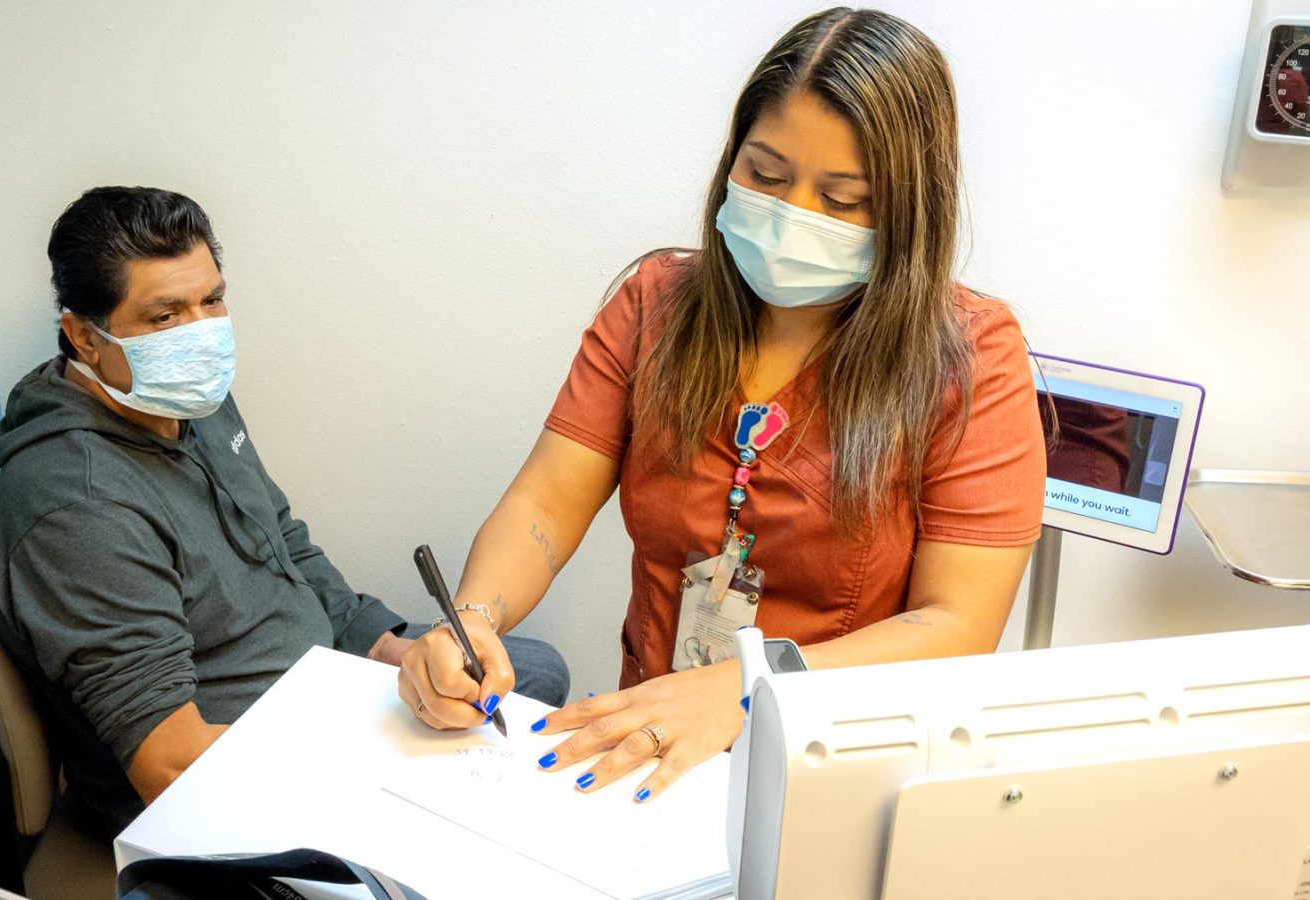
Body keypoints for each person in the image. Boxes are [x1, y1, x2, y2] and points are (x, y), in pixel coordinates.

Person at [397, 7, 1046, 803]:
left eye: (843, 200)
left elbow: (956, 624)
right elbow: (548, 499)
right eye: (766, 175)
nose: (794, 214)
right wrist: (471, 620)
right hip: (650, 747)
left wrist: (747, 685)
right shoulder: (655, 306)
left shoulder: (972, 359)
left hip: (832, 770)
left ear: (909, 212)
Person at [0, 187, 568, 836]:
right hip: (234, 776)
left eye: (212, 300)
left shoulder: (183, 400)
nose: (200, 333)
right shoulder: (78, 508)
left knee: (533, 671)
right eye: (164, 316)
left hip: (318, 693)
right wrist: (373, 758)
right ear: (84, 339)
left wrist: (387, 651)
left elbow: (282, 540)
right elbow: (172, 769)